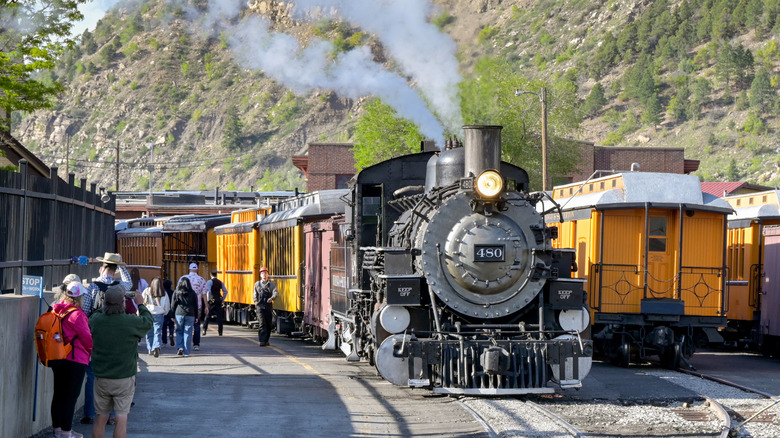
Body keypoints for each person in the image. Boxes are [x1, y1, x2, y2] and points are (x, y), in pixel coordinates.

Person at [89, 284, 152, 438]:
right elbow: (148, 321)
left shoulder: (97, 320)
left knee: (101, 416)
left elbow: (94, 315)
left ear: (105, 303)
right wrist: (140, 304)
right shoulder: (130, 322)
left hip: (102, 376)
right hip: (124, 377)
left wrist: (103, 304)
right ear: (123, 303)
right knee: (121, 417)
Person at [79, 252, 133, 426]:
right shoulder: (120, 286)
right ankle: (108, 416)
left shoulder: (93, 287)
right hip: (115, 334)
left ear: (102, 266)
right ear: (115, 268)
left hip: (96, 334)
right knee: (111, 374)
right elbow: (130, 282)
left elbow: (86, 311)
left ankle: (89, 414)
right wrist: (122, 265)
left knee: (92, 375)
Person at [50, 277, 93, 438]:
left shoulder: (55, 309)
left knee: (59, 394)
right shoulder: (78, 315)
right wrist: (90, 351)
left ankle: (58, 430)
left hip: (57, 357)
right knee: (71, 396)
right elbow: (86, 338)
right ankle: (67, 432)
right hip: (75, 359)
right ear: (79, 297)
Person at [178, 263, 208, 351]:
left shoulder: (183, 278)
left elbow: (177, 291)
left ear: (189, 269)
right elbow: (205, 295)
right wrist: (206, 306)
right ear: (197, 270)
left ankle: (182, 344)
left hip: (183, 306)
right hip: (197, 306)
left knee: (184, 325)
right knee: (197, 325)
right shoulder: (201, 279)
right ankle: (196, 344)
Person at [141, 277, 170, 357]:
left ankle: (150, 348)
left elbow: (142, 301)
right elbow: (167, 305)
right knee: (157, 332)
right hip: (159, 314)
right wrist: (165, 312)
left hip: (148, 313)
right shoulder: (164, 292)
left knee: (149, 332)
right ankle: (156, 346)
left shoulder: (147, 291)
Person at [171, 276, 198, 357]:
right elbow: (195, 305)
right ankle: (186, 352)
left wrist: (172, 315)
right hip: (190, 314)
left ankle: (180, 347)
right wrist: (196, 316)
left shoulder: (177, 292)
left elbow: (173, 304)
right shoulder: (193, 293)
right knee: (188, 333)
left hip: (179, 313)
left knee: (179, 331)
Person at [253, 267, 278, 347]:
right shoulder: (257, 284)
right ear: (260, 275)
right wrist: (256, 303)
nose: (264, 274)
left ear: (268, 274)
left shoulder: (272, 284)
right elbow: (255, 295)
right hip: (260, 306)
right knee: (262, 324)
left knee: (268, 324)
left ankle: (266, 340)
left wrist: (272, 298)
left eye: (266, 273)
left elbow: (275, 292)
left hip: (268, 306)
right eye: (263, 273)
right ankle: (262, 341)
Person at [203, 269, 228, 336]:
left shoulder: (209, 282)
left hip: (212, 301)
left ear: (210, 274)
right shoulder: (220, 282)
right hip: (218, 300)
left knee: (208, 315)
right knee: (219, 316)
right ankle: (220, 332)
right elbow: (225, 291)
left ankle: (204, 330)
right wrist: (222, 299)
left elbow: (208, 291)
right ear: (216, 275)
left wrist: (208, 300)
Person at [161, 279, 175, 347]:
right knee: (171, 324)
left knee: (164, 326)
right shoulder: (173, 292)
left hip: (164, 310)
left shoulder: (162, 293)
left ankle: (164, 341)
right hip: (171, 310)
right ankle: (171, 334)